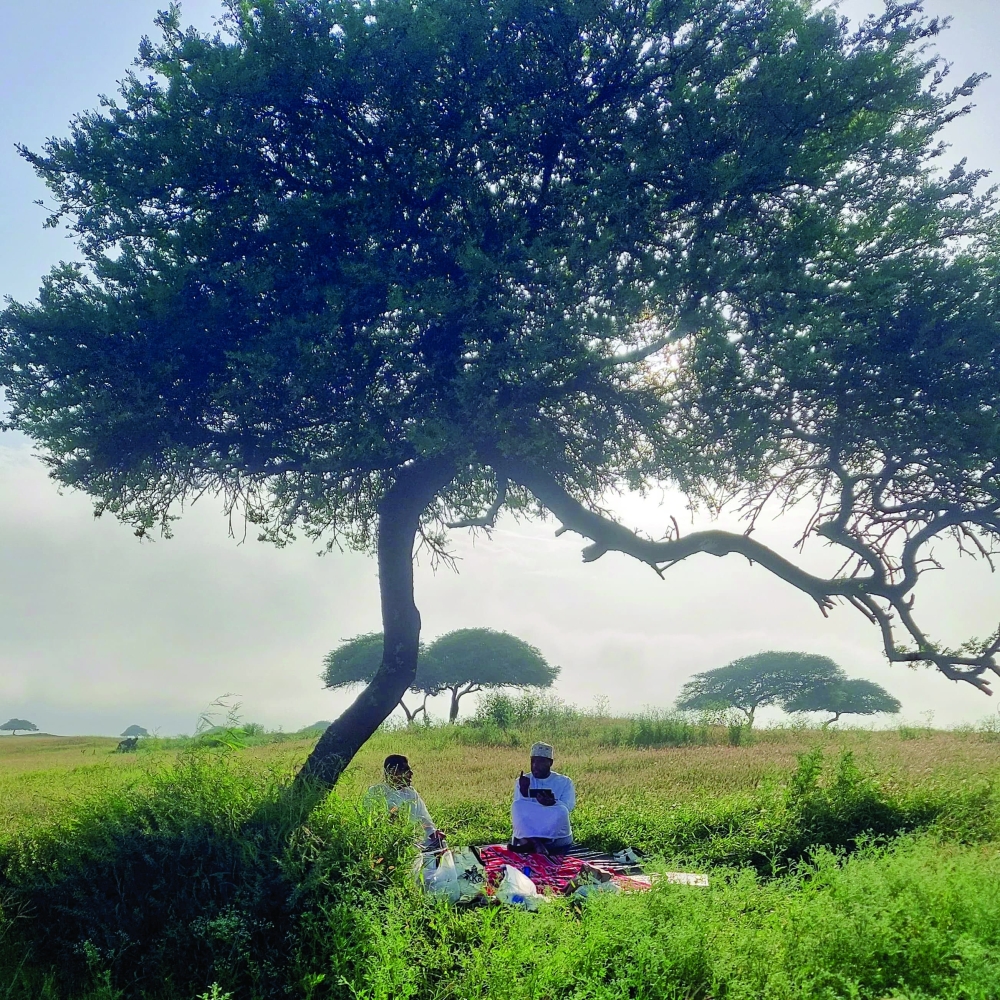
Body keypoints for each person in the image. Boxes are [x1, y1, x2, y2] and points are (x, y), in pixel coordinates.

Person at [366, 754, 446, 850]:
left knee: (441, 844)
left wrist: (433, 833)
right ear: (394, 772)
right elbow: (375, 822)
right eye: (406, 770)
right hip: (386, 842)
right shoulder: (376, 792)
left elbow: (424, 819)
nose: (411, 773)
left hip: (414, 839)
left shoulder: (411, 793)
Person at [510, 741, 575, 854]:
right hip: (531, 827)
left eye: (540, 762)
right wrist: (524, 792)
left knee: (561, 811)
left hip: (554, 830)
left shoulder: (565, 782)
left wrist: (552, 804)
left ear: (550, 763)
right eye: (533, 761)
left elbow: (567, 807)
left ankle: (531, 844)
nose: (535, 765)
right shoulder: (523, 781)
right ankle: (536, 843)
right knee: (517, 805)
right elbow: (522, 812)